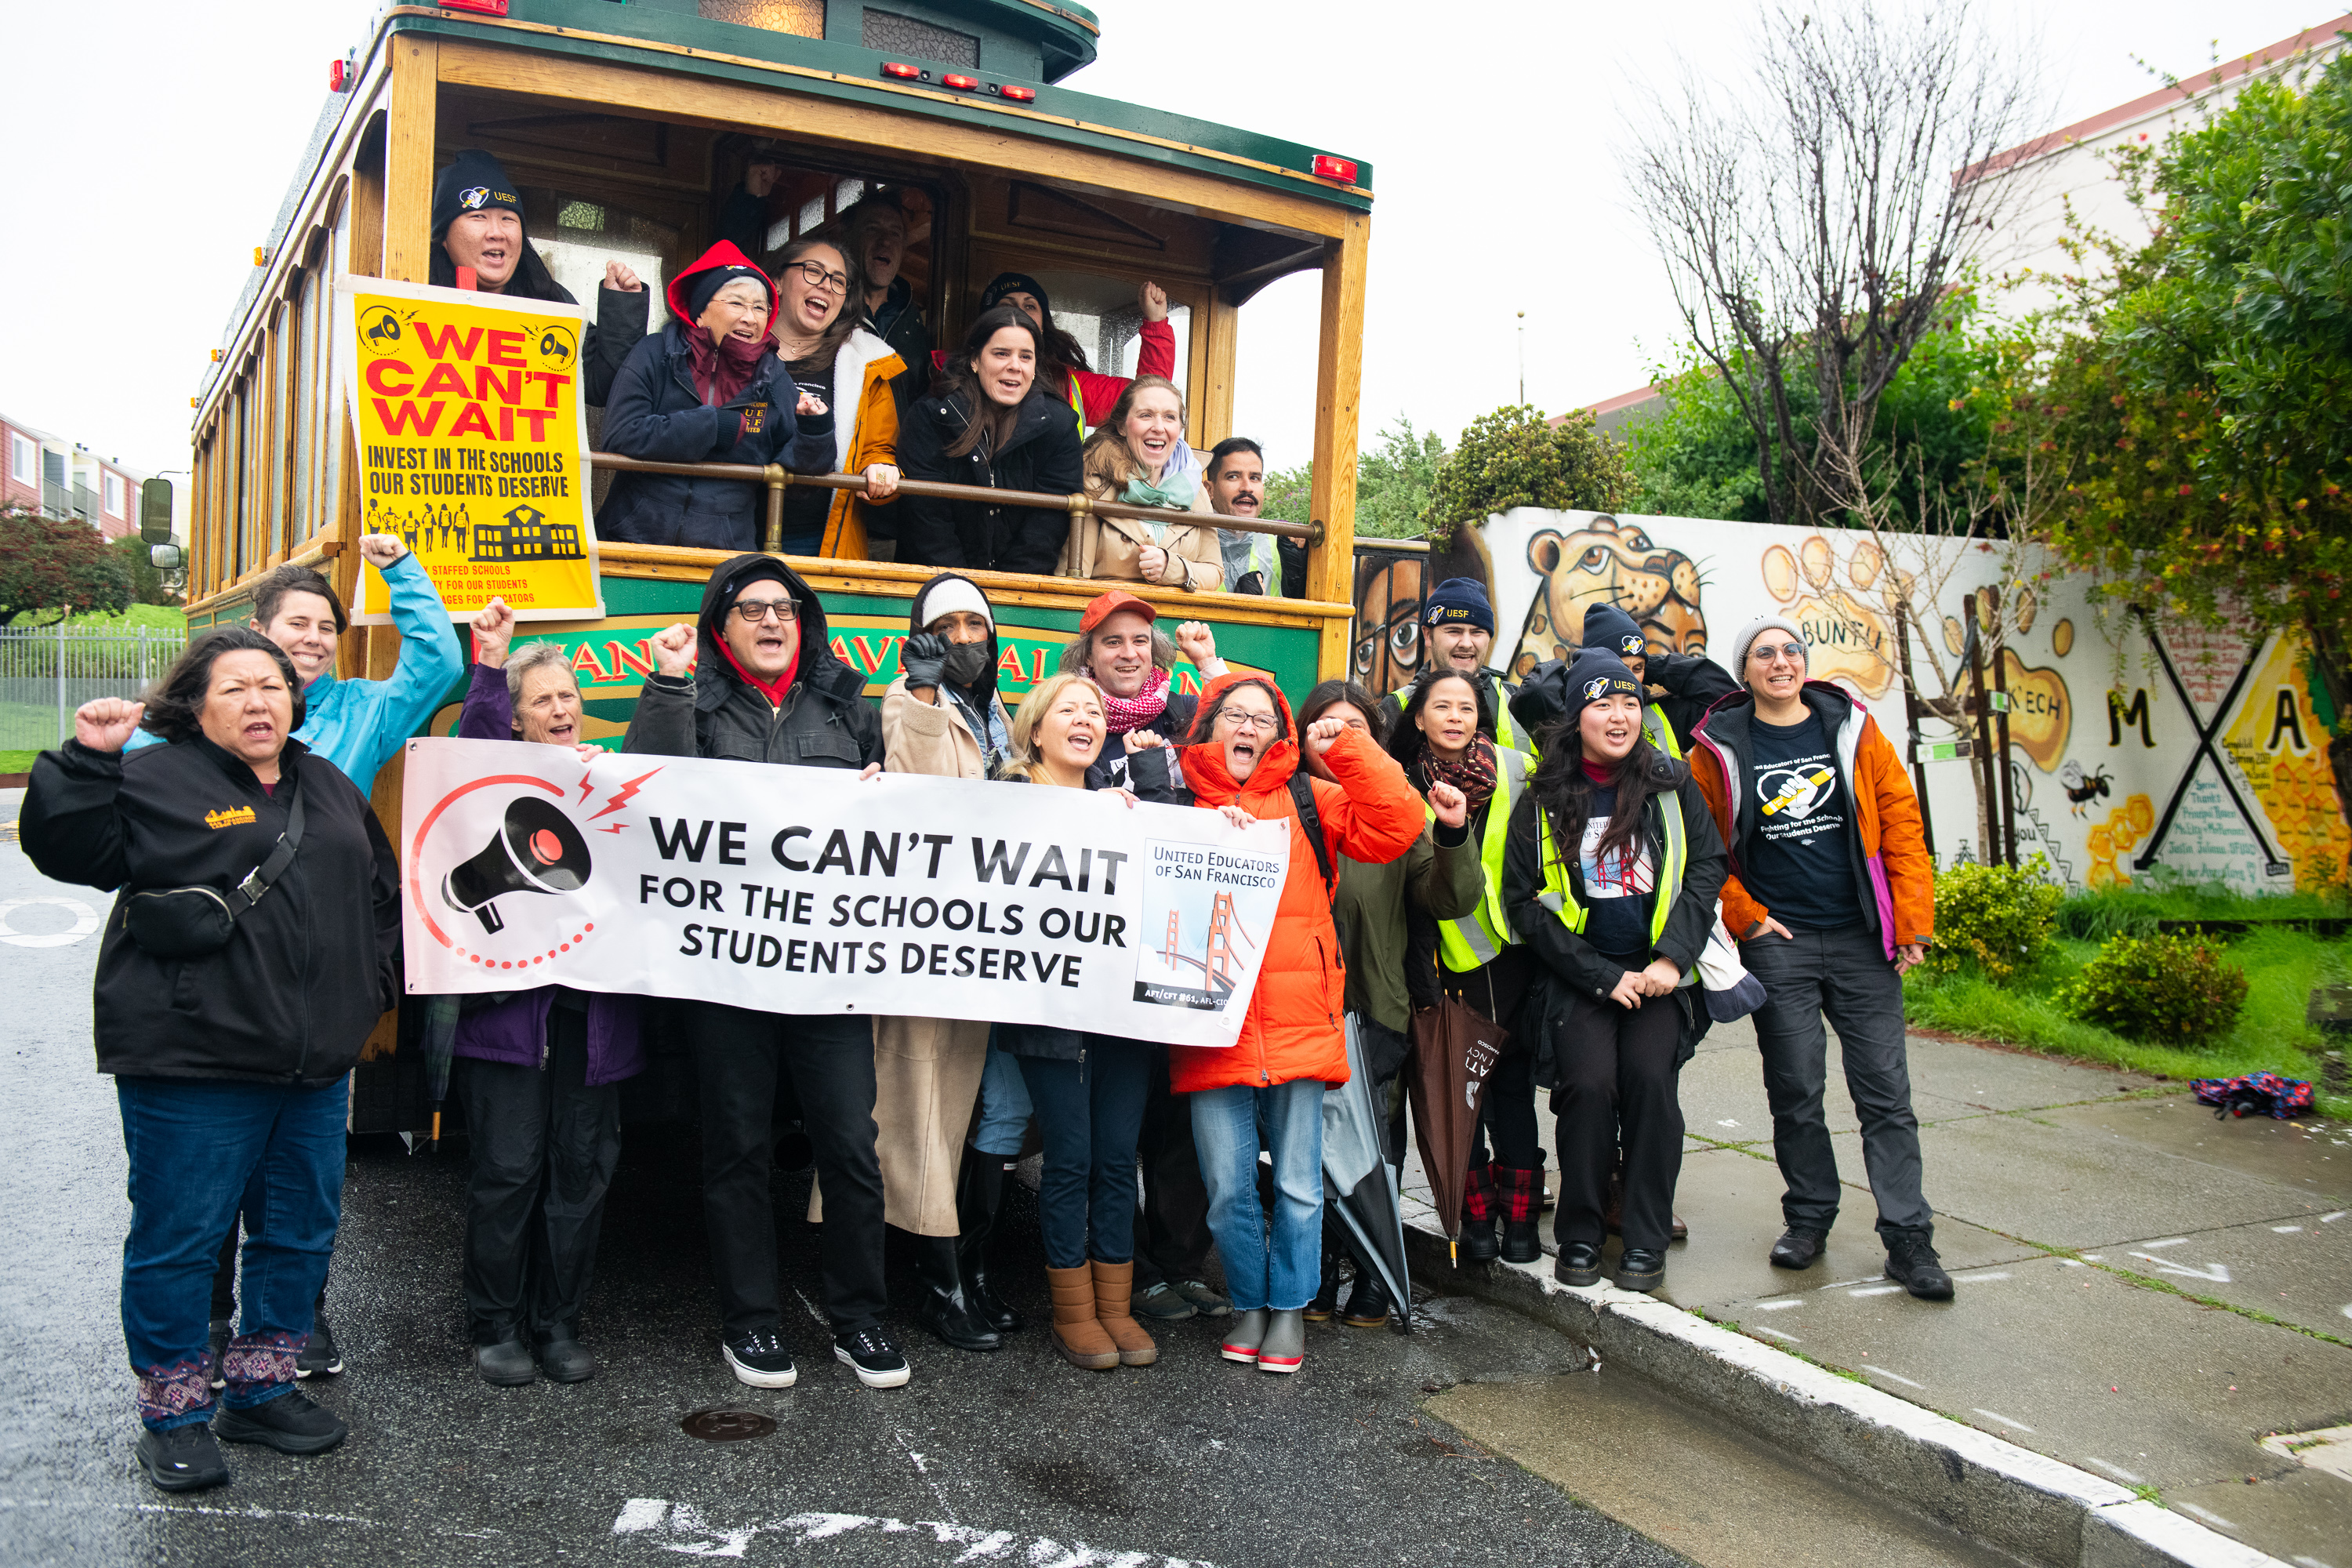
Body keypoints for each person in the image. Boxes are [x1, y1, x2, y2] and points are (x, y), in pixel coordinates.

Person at [21, 630, 400, 1494]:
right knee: (180, 1241)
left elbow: (378, 890)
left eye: (272, 685)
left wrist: (368, 985)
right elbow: (67, 849)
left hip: (312, 1066)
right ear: (194, 705)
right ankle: (176, 1411)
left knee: (298, 1228)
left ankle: (262, 1389)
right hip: (192, 1062)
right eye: (235, 688)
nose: (260, 701)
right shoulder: (154, 779)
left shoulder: (326, 781)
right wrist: (86, 760)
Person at [124, 534, 459, 1383]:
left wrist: (400, 569)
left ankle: (287, 1335)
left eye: (325, 628)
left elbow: (437, 660)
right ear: (256, 634)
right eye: (294, 625)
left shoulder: (360, 711)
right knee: (205, 1181)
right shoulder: (177, 736)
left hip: (314, 982)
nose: (311, 640)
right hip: (220, 981)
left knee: (296, 1185)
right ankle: (201, 1335)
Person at [622, 554, 909, 1388]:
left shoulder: (846, 703)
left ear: (804, 619)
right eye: (752, 610)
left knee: (852, 1146)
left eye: (784, 607)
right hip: (729, 976)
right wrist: (671, 685)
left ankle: (861, 1317)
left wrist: (882, 790)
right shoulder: (695, 701)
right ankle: (749, 1322)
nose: (772, 621)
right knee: (736, 1148)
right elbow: (649, 789)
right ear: (722, 626)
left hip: (828, 971)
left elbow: (903, 816)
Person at [1136, 674, 1422, 1374]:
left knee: (1297, 1181)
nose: (1249, 727)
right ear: (1209, 726)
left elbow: (1399, 824)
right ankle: (1250, 1306)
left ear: (1281, 734)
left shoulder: (1310, 798)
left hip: (1298, 1020)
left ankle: (1288, 1310)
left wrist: (1348, 745)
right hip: (1212, 1025)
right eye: (1233, 714)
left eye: (1264, 719)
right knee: (1228, 1183)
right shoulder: (1179, 797)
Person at [1689, 616, 1948, 1299]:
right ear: (1743, 672)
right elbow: (1706, 850)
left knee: (1886, 1095)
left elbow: (1902, 825)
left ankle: (1908, 1238)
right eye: (1764, 653)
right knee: (1797, 1090)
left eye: (1791, 650)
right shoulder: (1716, 749)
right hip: (1782, 946)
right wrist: (1749, 919)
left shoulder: (1856, 730)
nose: (1781, 661)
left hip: (1864, 941)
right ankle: (1808, 1218)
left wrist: (1912, 923)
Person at [448, 600, 645, 1386]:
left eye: (568, 696)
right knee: (506, 1170)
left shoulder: (611, 779)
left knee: (579, 1173)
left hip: (594, 1024)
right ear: (521, 722)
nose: (560, 708)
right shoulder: (495, 776)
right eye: (543, 701)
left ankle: (558, 1320)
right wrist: (491, 668)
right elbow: (472, 749)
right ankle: (494, 1321)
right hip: (510, 1021)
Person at [1505, 650, 1729, 1294]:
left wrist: (1671, 960)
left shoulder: (1670, 781)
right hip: (1583, 976)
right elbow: (1523, 901)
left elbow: (1708, 867)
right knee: (1588, 1085)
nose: (1620, 714)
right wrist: (1602, 976)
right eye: (1603, 703)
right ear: (1577, 718)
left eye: (1630, 702)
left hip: (1659, 975)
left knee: (1651, 1082)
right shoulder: (1545, 796)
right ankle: (1578, 1235)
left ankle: (1643, 1232)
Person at [840, 573, 1011, 1355]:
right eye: (948, 625)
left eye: (978, 622)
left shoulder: (1002, 715)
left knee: (965, 1119)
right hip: (923, 951)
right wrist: (918, 687)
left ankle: (959, 1275)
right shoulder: (911, 702)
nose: (966, 637)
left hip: (986, 952)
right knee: (915, 1117)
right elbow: (913, 782)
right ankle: (936, 1285)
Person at [993, 673, 1164, 1371]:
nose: (1086, 719)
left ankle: (1115, 1305)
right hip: (1051, 1011)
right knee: (1071, 1157)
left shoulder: (1117, 802)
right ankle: (1073, 1312)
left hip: (1121, 1011)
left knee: (1119, 1158)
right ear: (1037, 729)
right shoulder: (1009, 796)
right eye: (1070, 709)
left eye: (1095, 711)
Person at [1298, 681, 1481, 1328]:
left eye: (1356, 729)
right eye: (1328, 727)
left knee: (1376, 1145)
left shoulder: (1397, 813)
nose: (1341, 741)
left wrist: (1454, 833)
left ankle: (1374, 1273)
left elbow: (1449, 899)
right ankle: (1315, 1270)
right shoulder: (1283, 803)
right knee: (1304, 1146)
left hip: (1375, 1008)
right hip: (1298, 1009)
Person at [1385, 666, 1543, 1263]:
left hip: (1509, 955)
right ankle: (1473, 1221)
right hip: (1435, 957)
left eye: (1467, 707)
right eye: (1442, 706)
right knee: (1457, 1091)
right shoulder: (1398, 780)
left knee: (1511, 1090)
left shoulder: (1517, 769)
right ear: (1419, 718)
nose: (1455, 717)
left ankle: (1521, 1222)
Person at [595, 241, 838, 552]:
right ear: (699, 312)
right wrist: (713, 426)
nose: (751, 318)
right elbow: (619, 435)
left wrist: (815, 431)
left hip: (725, 555)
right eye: (737, 304)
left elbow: (799, 480)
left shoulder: (773, 375)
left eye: (760, 308)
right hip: (629, 541)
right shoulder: (654, 353)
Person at [430, 148, 646, 406]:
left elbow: (606, 389)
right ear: (443, 237)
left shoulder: (550, 300)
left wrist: (621, 309)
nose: (497, 233)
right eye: (479, 216)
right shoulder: (414, 293)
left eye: (508, 218)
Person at [895, 305, 1083, 574]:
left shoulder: (1060, 426)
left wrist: (1008, 590)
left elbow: (1046, 529)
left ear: (1034, 367)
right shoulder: (931, 416)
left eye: (1025, 357)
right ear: (975, 359)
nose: (1015, 366)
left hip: (1018, 592)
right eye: (1001, 354)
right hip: (938, 587)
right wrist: (962, 589)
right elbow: (926, 518)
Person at [762, 234, 905, 558]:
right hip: (730, 529)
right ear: (778, 281)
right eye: (813, 271)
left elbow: (879, 450)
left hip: (819, 541)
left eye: (838, 281)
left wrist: (881, 468)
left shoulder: (867, 363)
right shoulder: (738, 344)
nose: (827, 286)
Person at [1054, 589, 1225, 795]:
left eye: (1140, 641)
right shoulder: (1071, 725)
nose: (1129, 653)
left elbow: (1250, 726)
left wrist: (1207, 662)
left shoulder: (1185, 710)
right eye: (1114, 642)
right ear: (1088, 655)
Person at [1063, 378, 1224, 591]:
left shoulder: (1195, 489)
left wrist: (1171, 566)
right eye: (1146, 415)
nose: (1158, 427)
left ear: (1179, 428)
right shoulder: (1094, 483)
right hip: (1111, 616)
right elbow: (1074, 580)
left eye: (1169, 417)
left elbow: (1214, 572)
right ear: (1122, 426)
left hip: (1179, 620)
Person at [974, 272, 1175, 429]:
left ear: (1044, 324)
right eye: (1007, 306)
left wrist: (1156, 324)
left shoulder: (1070, 384)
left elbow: (1149, 397)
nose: (1018, 313)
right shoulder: (954, 369)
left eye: (1030, 306)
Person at [1382, 579, 1531, 757]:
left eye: (1477, 632)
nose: (1467, 644)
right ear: (1428, 635)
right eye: (1454, 631)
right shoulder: (1394, 709)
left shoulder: (1519, 702)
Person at [1570, 601, 1738, 757]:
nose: (1630, 678)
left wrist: (1656, 666)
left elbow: (1730, 699)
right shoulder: (1565, 717)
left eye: (1637, 668)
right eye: (1619, 668)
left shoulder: (1663, 717)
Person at [839, 194, 934, 415]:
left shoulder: (914, 323)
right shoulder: (826, 309)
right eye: (872, 229)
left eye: (895, 233)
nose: (885, 241)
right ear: (846, 238)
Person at [1203, 437, 1279, 595]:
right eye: (1233, 476)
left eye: (1254, 478)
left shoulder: (1279, 546)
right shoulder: (1189, 541)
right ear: (1209, 490)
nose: (1247, 487)